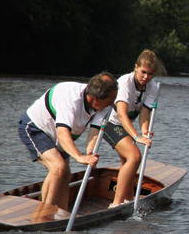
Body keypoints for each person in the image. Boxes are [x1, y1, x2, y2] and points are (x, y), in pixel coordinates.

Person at [18, 72, 118, 215]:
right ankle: (42, 216)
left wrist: (90, 152)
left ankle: (62, 214)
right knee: (58, 167)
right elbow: (63, 133)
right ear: (95, 99)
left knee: (65, 174)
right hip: (36, 127)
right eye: (109, 101)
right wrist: (79, 156)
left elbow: (94, 132)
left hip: (59, 137)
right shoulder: (71, 98)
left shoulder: (104, 105)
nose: (112, 104)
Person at [102, 49, 162, 208]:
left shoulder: (153, 87)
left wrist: (144, 132)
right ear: (136, 67)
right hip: (109, 124)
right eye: (143, 72)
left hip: (125, 126)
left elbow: (144, 112)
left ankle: (128, 199)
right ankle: (116, 204)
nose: (146, 77)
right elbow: (121, 114)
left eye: (150, 74)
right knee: (134, 156)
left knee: (128, 162)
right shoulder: (124, 82)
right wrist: (136, 137)